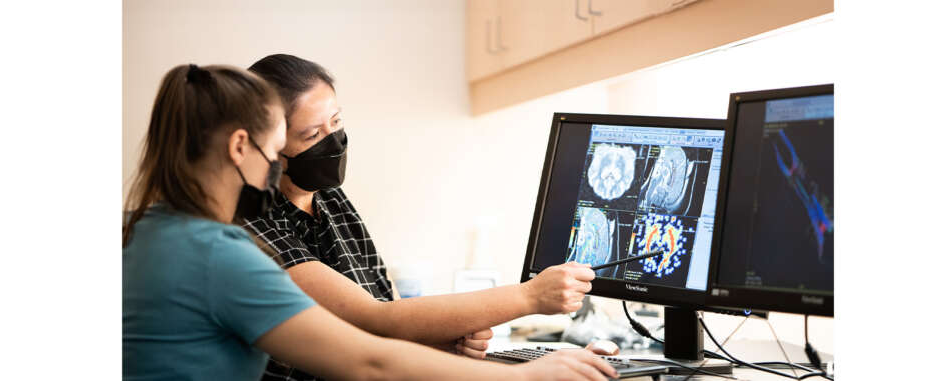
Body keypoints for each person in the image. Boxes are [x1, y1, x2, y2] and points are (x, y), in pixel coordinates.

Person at [122, 63, 618, 381]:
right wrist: (528, 374)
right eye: (277, 151)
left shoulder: (151, 229)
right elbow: (368, 358)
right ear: (238, 147)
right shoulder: (223, 252)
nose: (276, 168)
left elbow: (381, 325)